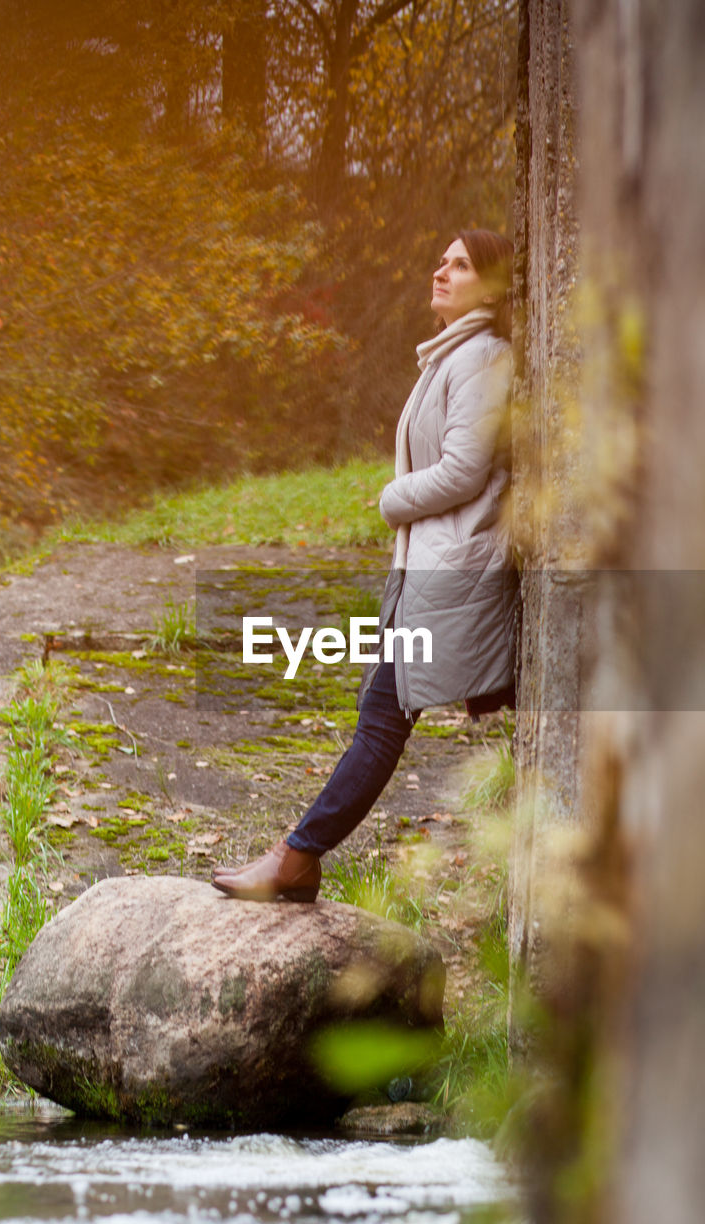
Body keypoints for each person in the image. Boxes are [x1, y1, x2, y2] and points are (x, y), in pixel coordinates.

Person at [211, 228, 518, 903]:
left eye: (460, 265)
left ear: (492, 285)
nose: (440, 272)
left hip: (451, 569)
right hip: (432, 567)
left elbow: (465, 470)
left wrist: (388, 499)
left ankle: (298, 856)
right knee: (389, 710)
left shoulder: (480, 358)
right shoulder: (453, 355)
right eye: (439, 260)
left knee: (381, 716)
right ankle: (298, 855)